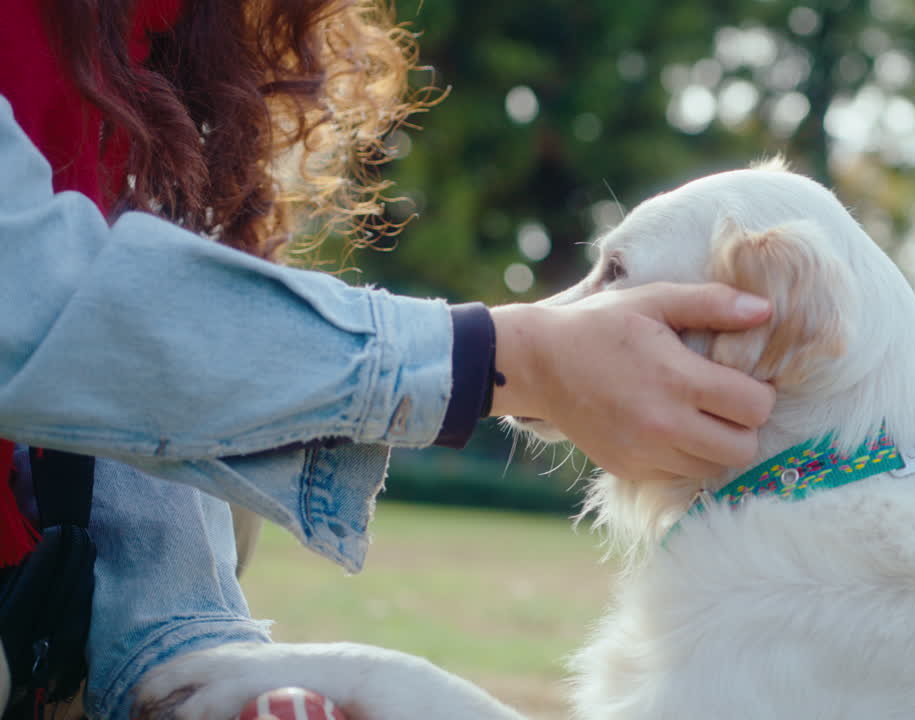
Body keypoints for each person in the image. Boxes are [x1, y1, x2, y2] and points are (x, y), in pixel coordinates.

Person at [0, 1, 774, 718]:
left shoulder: (146, 36)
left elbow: (141, 348)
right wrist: (505, 357)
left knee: (229, 472)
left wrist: (186, 652)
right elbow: (32, 299)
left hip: (41, 572)